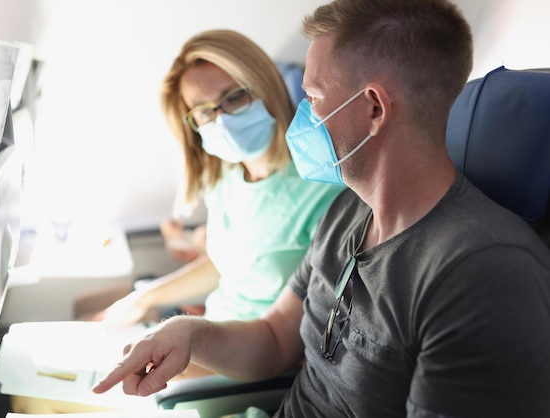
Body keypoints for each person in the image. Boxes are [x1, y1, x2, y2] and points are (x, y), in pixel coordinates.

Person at [92, 1, 550, 417]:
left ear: (373, 107)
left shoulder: (482, 275)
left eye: (313, 99)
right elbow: (273, 341)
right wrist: (189, 333)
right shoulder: (348, 215)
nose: (301, 119)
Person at [80, 29, 344, 333]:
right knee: (87, 318)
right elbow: (227, 269)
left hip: (252, 361)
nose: (222, 120)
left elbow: (298, 337)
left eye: (234, 97)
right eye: (204, 112)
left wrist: (182, 348)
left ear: (265, 85)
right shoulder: (226, 180)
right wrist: (142, 299)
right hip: (212, 330)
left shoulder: (323, 188)